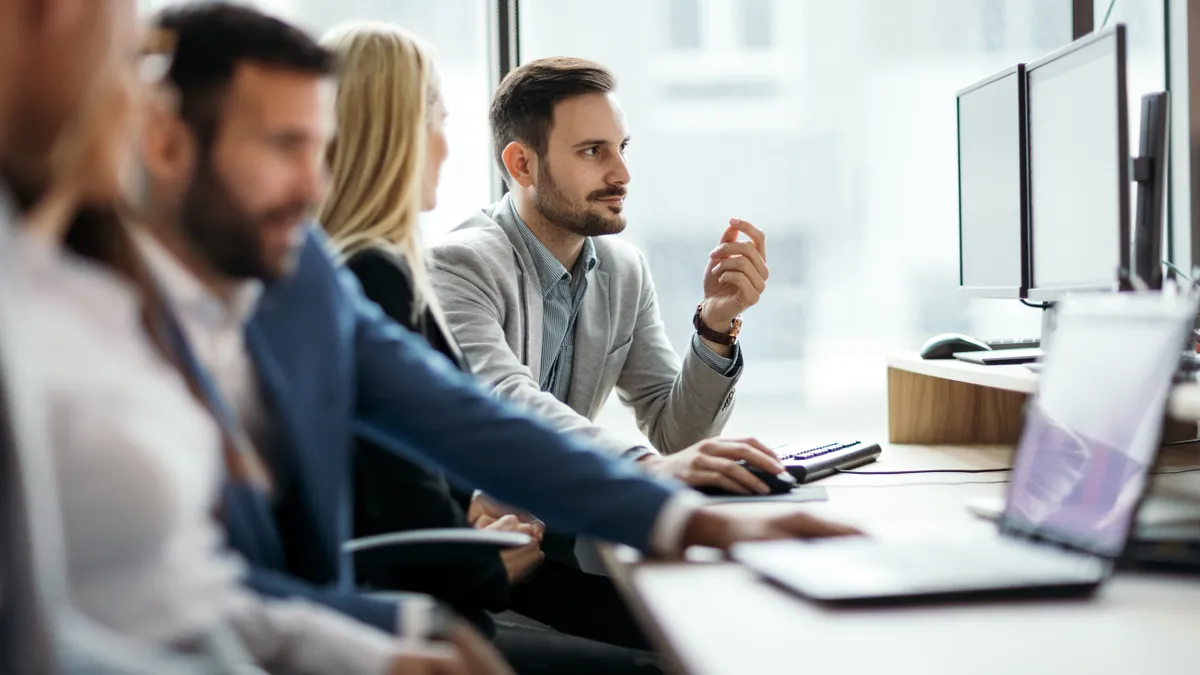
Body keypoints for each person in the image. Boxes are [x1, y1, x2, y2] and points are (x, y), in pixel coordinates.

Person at [132, 0, 857, 648]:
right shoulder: (106, 320)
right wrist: (418, 608)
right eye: (285, 147)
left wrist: (690, 516)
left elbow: (466, 420)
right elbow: (499, 401)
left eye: (316, 146)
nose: (313, 181)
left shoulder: (311, 278)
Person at [1, 2, 503, 673]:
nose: (146, 109)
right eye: (131, 63)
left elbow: (187, 597)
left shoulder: (101, 296)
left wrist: (381, 654)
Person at [319, 22, 668, 673]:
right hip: (430, 616)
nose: (447, 148)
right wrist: (477, 545)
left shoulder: (351, 270)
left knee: (673, 624)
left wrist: (472, 509)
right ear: (389, 134)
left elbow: (422, 458)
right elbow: (496, 409)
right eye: (436, 121)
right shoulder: (379, 277)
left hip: (459, 580)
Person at [429, 57, 781, 498]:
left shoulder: (623, 271)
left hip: (568, 529)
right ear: (522, 165)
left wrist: (714, 325)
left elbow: (678, 438)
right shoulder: (459, 266)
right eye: (593, 151)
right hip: (482, 544)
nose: (623, 175)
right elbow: (506, 401)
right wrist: (644, 467)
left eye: (622, 148)